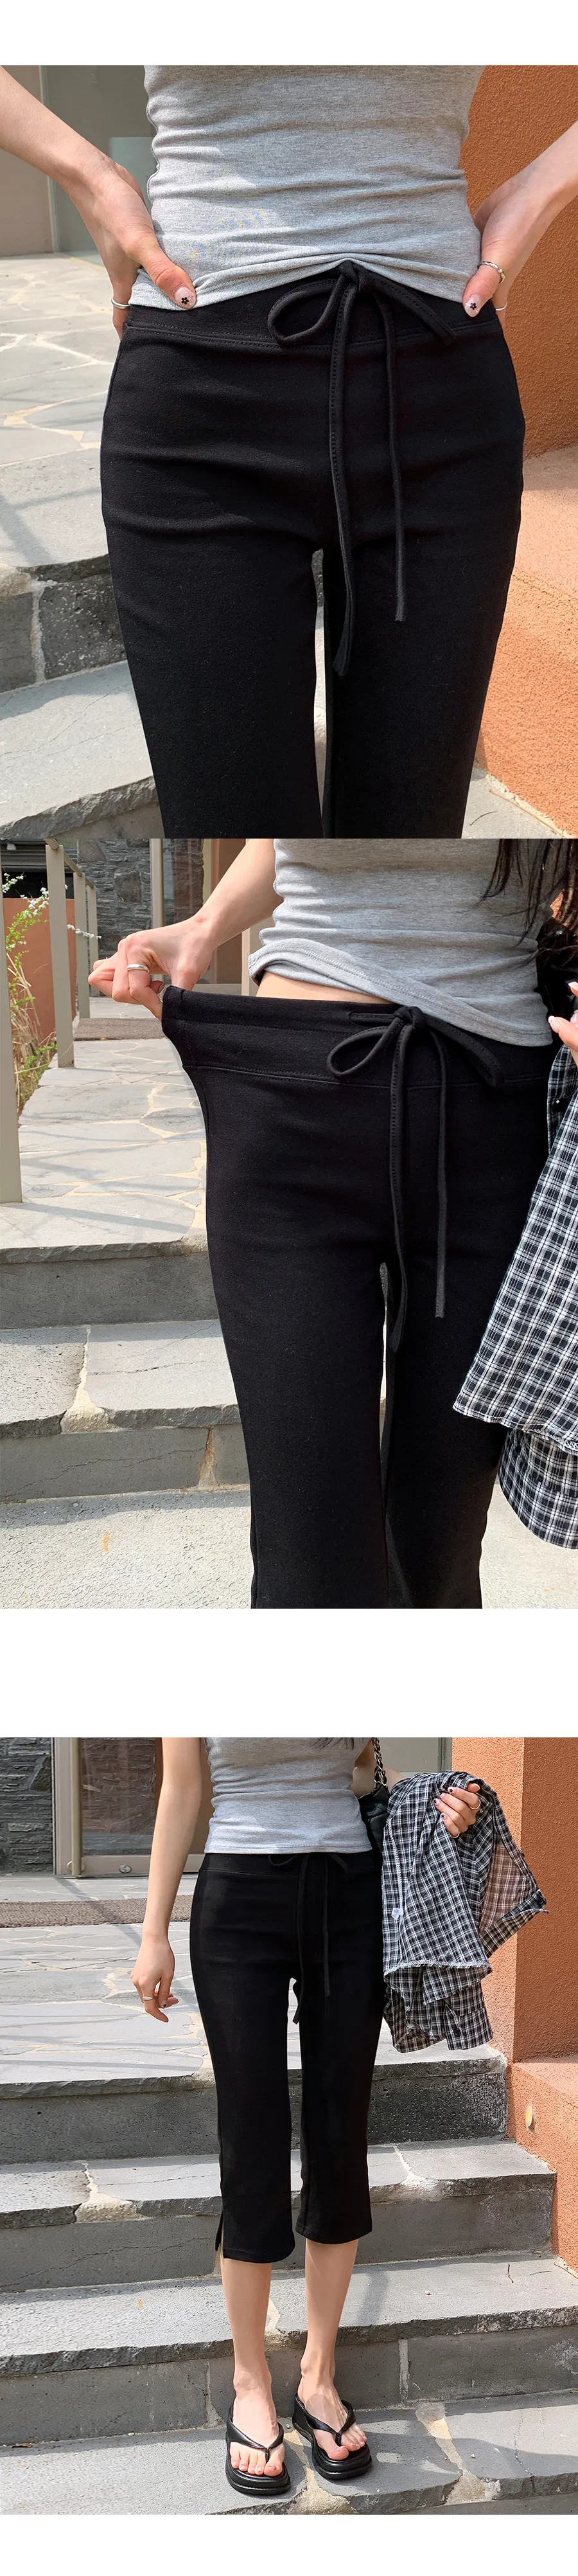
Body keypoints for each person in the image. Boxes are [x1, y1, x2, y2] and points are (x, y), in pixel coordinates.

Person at [2, 66, 578, 831]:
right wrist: (87, 172)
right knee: (227, 829)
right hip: (198, 406)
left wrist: (545, 185)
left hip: (442, 399)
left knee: (410, 836)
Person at [90, 836, 577, 1609]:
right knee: (308, 1550)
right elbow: (283, 833)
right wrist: (206, 924)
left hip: (494, 1118)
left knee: (442, 1542)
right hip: (293, 1111)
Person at [130, 1737, 481, 2495]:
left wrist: (440, 1804)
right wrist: (153, 1932)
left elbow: (359, 1773)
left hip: (347, 1894)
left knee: (338, 2136)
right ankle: (250, 2381)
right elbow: (182, 1790)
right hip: (237, 1898)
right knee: (249, 2141)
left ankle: (318, 2377)